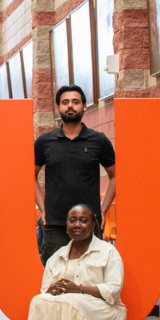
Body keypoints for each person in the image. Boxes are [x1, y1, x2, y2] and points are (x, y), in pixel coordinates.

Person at [24, 204, 126, 320]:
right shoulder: (57, 257)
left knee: (69, 302)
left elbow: (113, 290)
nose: (77, 225)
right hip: (68, 306)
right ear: (67, 226)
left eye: (83, 221)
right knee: (38, 301)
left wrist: (78, 289)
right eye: (72, 221)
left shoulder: (108, 252)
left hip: (104, 312)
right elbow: (44, 291)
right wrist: (53, 290)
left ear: (93, 224)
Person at [34, 85, 116, 266]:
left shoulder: (99, 140)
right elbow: (29, 176)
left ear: (84, 106)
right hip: (55, 225)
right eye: (65, 102)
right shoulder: (44, 141)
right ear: (58, 109)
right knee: (54, 282)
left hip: (89, 224)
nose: (70, 106)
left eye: (75, 102)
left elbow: (115, 176)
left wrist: (102, 210)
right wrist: (43, 209)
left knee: (90, 278)